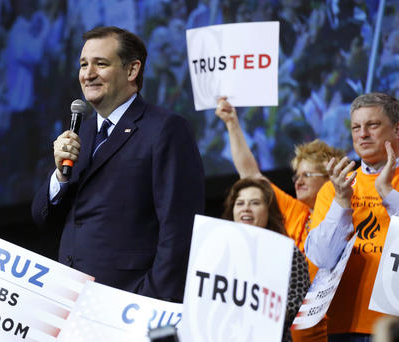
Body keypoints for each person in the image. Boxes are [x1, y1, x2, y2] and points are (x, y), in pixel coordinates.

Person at [31, 26, 204, 302]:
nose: (88, 74)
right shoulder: (81, 134)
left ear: (132, 70)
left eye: (101, 64)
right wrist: (60, 178)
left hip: (129, 305)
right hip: (73, 301)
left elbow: (180, 231)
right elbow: (42, 218)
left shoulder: (165, 129)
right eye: (84, 64)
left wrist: (149, 302)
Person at [215, 97, 345, 342]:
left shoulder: (347, 217)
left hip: (334, 331)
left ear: (331, 177)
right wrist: (232, 122)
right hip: (289, 332)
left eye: (307, 174)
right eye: (296, 175)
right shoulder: (297, 212)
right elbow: (251, 174)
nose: (298, 181)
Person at [305, 92, 399, 341]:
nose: (362, 134)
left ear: (397, 129)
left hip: (393, 325)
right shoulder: (334, 188)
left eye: (373, 125)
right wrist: (341, 202)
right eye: (356, 127)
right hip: (344, 326)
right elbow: (322, 258)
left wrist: (387, 193)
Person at [223, 178, 311, 342]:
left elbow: (297, 303)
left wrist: (257, 317)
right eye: (240, 203)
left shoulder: (288, 252)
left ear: (269, 211)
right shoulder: (218, 250)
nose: (246, 208)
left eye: (255, 203)